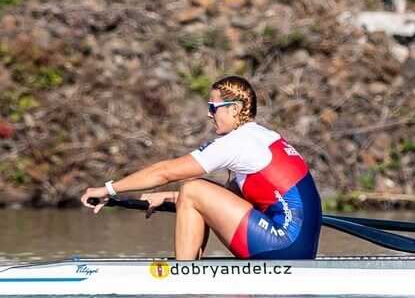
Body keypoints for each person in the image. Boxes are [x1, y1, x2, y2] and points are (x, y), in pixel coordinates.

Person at [81, 75, 321, 260]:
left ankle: (184, 279)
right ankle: (190, 272)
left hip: (283, 243)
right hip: (297, 245)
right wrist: (171, 197)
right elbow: (229, 202)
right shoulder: (266, 137)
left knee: (193, 188)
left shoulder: (237, 143)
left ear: (235, 109)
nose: (209, 115)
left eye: (213, 107)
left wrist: (107, 189)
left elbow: (163, 172)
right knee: (191, 193)